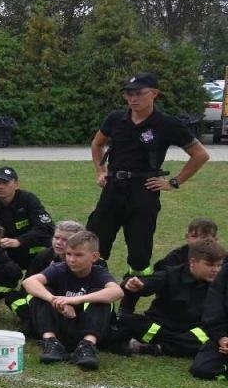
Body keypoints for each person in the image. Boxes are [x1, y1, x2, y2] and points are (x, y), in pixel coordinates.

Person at [86, 72, 211, 281]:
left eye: (138, 94)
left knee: (139, 255)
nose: (133, 99)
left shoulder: (167, 123)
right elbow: (97, 143)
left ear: (154, 94)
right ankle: (94, 292)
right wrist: (101, 171)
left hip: (144, 191)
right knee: (94, 245)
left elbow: (200, 155)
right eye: (128, 94)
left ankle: (128, 304)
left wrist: (173, 182)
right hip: (113, 187)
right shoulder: (116, 119)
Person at [21, 230, 123, 370]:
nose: (71, 259)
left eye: (78, 255)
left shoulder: (99, 273)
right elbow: (29, 282)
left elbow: (117, 292)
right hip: (59, 325)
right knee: (39, 293)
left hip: (85, 326)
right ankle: (51, 343)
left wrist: (75, 300)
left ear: (94, 257)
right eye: (68, 254)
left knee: (101, 297)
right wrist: (54, 300)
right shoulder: (59, 268)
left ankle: (87, 347)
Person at [107, 240, 225, 358]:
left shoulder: (222, 282)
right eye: (210, 265)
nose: (216, 270)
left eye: (219, 265)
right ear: (193, 262)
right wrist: (134, 284)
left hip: (193, 331)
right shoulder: (171, 274)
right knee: (125, 321)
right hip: (159, 327)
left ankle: (159, 348)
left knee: (209, 335)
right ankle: (172, 347)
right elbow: (148, 283)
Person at [10, 220, 83, 328]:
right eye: (56, 237)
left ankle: (38, 324)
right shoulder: (43, 257)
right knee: (13, 298)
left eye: (65, 240)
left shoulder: (87, 260)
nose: (58, 242)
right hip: (47, 300)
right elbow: (26, 287)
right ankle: (34, 319)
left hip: (75, 300)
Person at [0, 166, 53, 270]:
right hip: (3, 250)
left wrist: (19, 241)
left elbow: (47, 227)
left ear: (16, 185)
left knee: (49, 246)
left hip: (29, 245)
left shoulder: (28, 200)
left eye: (5, 183)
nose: (1, 186)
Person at [191, 259, 228, 382]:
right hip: (225, 337)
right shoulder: (225, 272)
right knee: (202, 369)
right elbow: (213, 308)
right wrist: (221, 337)